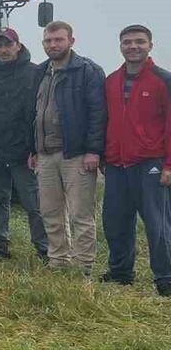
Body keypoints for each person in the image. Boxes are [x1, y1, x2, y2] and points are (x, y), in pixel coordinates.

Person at [30, 21, 106, 276]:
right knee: (50, 212)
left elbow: (98, 113)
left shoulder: (87, 71)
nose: (53, 45)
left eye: (58, 40)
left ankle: (84, 267)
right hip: (45, 154)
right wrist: (33, 149)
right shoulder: (40, 72)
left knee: (80, 214)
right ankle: (58, 261)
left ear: (71, 41)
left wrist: (93, 150)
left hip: (76, 154)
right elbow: (34, 113)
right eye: (48, 41)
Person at [100, 25, 171, 297]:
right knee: (115, 221)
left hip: (150, 162)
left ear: (150, 45)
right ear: (120, 46)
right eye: (127, 42)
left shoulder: (163, 80)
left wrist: (169, 165)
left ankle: (165, 277)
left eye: (139, 42)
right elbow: (106, 120)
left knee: (157, 223)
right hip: (117, 163)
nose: (133, 46)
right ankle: (121, 273)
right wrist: (106, 155)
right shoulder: (111, 81)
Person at [0, 28, 48, 261]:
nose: (4, 50)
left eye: (8, 45)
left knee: (33, 202)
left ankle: (44, 248)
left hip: (23, 152)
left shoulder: (35, 73)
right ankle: (0, 244)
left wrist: (34, 147)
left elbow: (39, 113)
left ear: (18, 46)